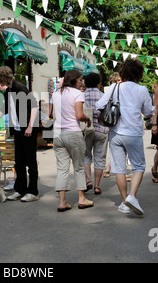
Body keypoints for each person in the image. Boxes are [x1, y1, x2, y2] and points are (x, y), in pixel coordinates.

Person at [96, 59, 154, 215]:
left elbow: (99, 106)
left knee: (119, 169)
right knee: (139, 166)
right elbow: (149, 111)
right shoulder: (142, 90)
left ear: (123, 72)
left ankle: (124, 202)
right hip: (133, 132)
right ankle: (132, 196)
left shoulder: (115, 87)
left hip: (115, 133)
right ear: (139, 73)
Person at [0, 66, 40, 202]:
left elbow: (34, 106)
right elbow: (4, 109)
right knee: (19, 162)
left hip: (28, 129)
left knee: (30, 161)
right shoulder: (9, 91)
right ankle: (20, 189)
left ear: (5, 79)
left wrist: (30, 126)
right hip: (17, 129)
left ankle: (33, 191)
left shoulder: (20, 88)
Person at [50, 69, 93, 212]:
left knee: (62, 168)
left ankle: (62, 202)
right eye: (80, 79)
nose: (82, 82)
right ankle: (82, 199)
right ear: (74, 80)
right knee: (79, 167)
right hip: (73, 133)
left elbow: (51, 113)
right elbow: (79, 115)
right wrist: (88, 119)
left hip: (57, 133)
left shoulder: (55, 93)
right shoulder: (77, 94)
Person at [83, 72, 109, 195]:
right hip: (102, 129)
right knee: (100, 158)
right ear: (98, 83)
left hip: (86, 130)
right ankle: (97, 186)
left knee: (86, 156)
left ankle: (88, 180)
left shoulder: (82, 96)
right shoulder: (104, 96)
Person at [103, 72, 122, 178]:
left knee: (115, 145)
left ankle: (110, 166)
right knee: (114, 145)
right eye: (119, 80)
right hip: (113, 119)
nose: (121, 82)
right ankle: (111, 166)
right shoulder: (111, 90)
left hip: (114, 119)